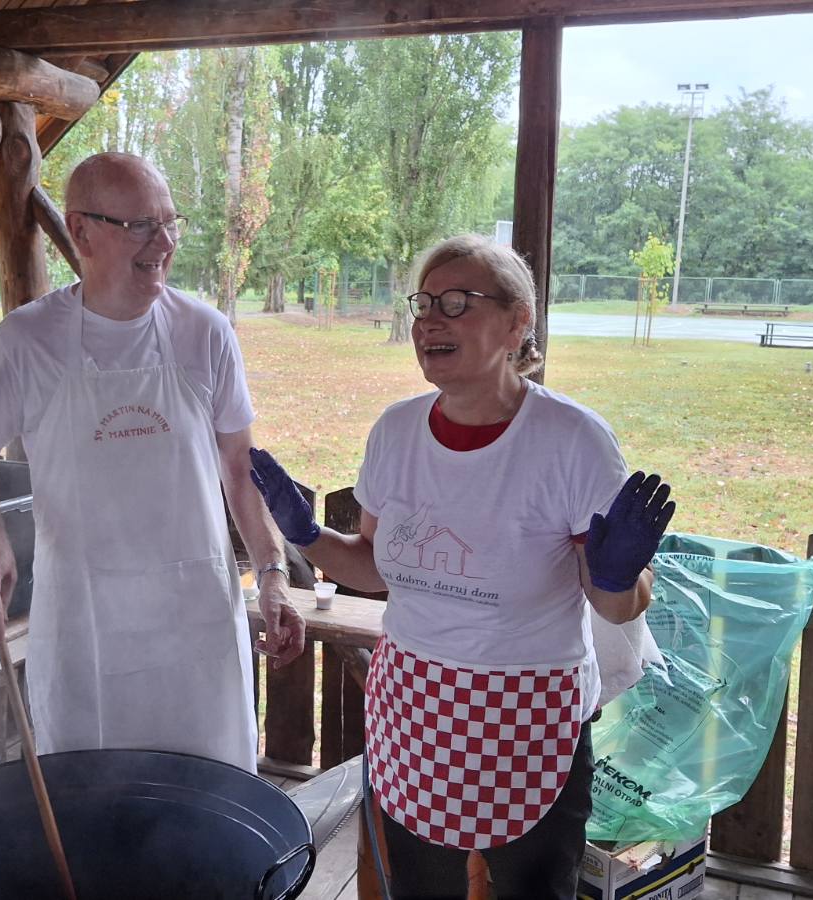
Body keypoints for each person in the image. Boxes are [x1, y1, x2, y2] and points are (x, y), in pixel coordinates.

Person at [250, 235, 673, 899]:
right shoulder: (396, 432)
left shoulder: (571, 440)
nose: (429, 321)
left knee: (531, 891)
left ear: (518, 322)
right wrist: (308, 536)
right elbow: (376, 569)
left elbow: (615, 605)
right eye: (423, 304)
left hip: (529, 711)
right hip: (415, 706)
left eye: (456, 303)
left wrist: (617, 577)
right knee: (420, 888)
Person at [0, 152, 305, 772]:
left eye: (169, 223)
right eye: (139, 226)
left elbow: (239, 467)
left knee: (208, 807)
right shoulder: (28, 342)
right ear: (80, 231)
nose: (163, 243)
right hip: (84, 631)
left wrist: (272, 573)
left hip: (196, 625)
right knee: (92, 816)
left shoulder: (204, 332)